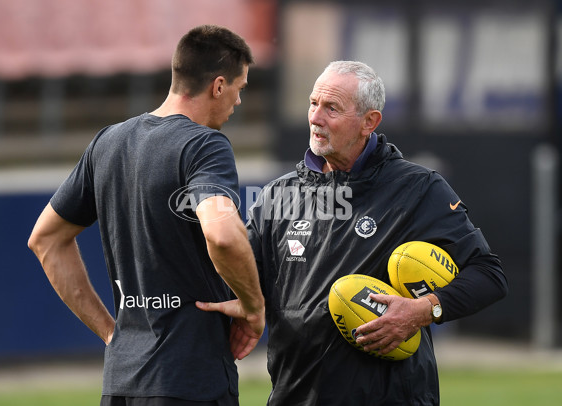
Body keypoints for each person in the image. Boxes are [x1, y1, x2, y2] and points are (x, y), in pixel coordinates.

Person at [198, 61, 508, 405]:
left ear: (369, 122)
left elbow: (488, 275)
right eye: (313, 103)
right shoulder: (277, 195)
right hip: (296, 396)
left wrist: (423, 310)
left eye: (332, 108)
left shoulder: (418, 189)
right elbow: (242, 277)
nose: (316, 117)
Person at [28, 25, 265, 406]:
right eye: (240, 87)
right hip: (191, 382)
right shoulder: (205, 145)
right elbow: (222, 234)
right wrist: (253, 307)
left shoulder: (107, 142)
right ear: (218, 86)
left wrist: (113, 335)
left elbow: (45, 239)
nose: (238, 101)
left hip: (120, 383)